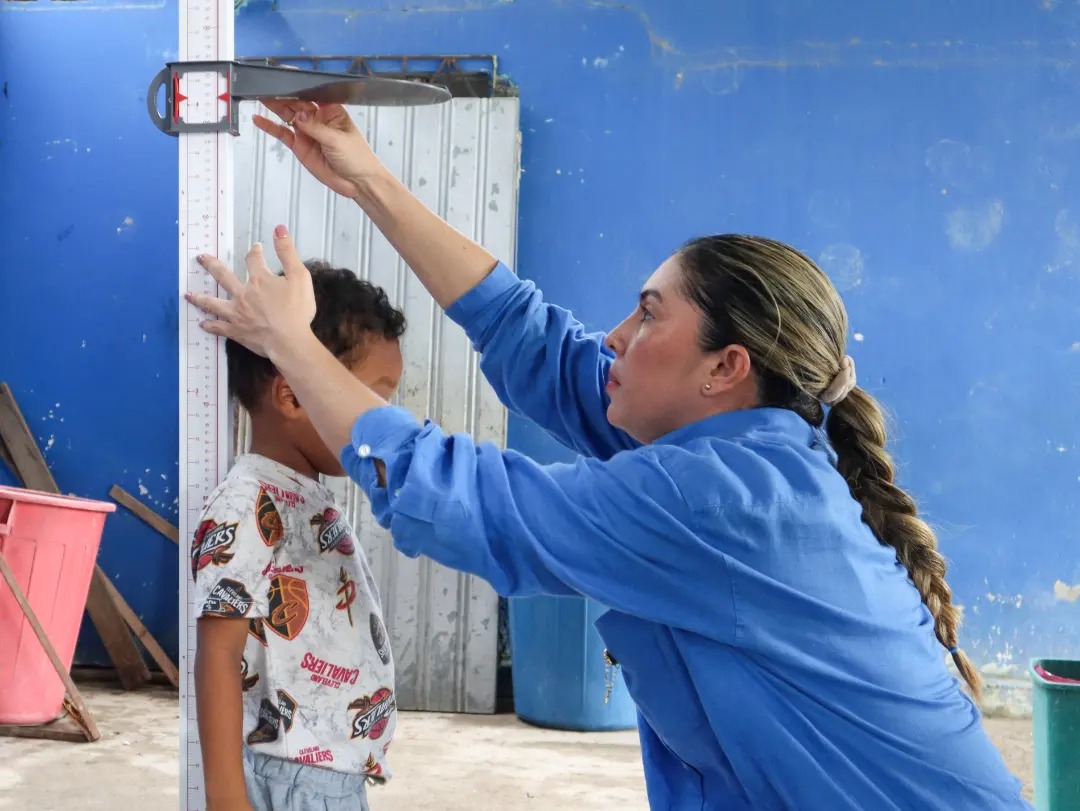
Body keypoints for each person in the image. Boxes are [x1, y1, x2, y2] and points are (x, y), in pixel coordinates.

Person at [186, 100, 1033, 811]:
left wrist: (292, 344)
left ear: (725, 368)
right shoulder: (737, 444)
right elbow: (536, 342)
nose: (616, 337)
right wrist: (367, 179)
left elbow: (463, 498)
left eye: (648, 314)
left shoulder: (720, 499)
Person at [190, 260, 405, 811]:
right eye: (376, 398)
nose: (387, 421)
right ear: (292, 397)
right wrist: (225, 798)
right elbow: (217, 652)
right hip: (290, 778)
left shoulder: (303, 491)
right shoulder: (247, 501)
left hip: (327, 775)